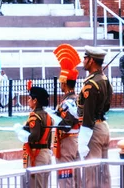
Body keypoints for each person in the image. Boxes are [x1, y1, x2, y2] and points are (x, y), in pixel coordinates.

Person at [77, 46, 112, 188]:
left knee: (91, 174)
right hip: (102, 125)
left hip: (92, 130)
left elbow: (89, 114)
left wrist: (83, 140)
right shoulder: (104, 79)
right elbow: (107, 106)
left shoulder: (91, 84)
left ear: (91, 60)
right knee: (104, 174)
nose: (83, 60)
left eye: (85, 58)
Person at [52, 45, 81, 188]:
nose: (60, 85)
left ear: (64, 83)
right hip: (75, 140)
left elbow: (67, 123)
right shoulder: (74, 99)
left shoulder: (70, 101)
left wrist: (55, 120)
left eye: (61, 83)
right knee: (75, 176)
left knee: (66, 176)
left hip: (67, 141)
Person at [19, 86, 53, 188]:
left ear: (35, 100)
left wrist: (22, 134)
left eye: (30, 98)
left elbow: (34, 136)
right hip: (46, 153)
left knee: (35, 185)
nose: (28, 100)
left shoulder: (35, 116)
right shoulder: (47, 116)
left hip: (37, 155)